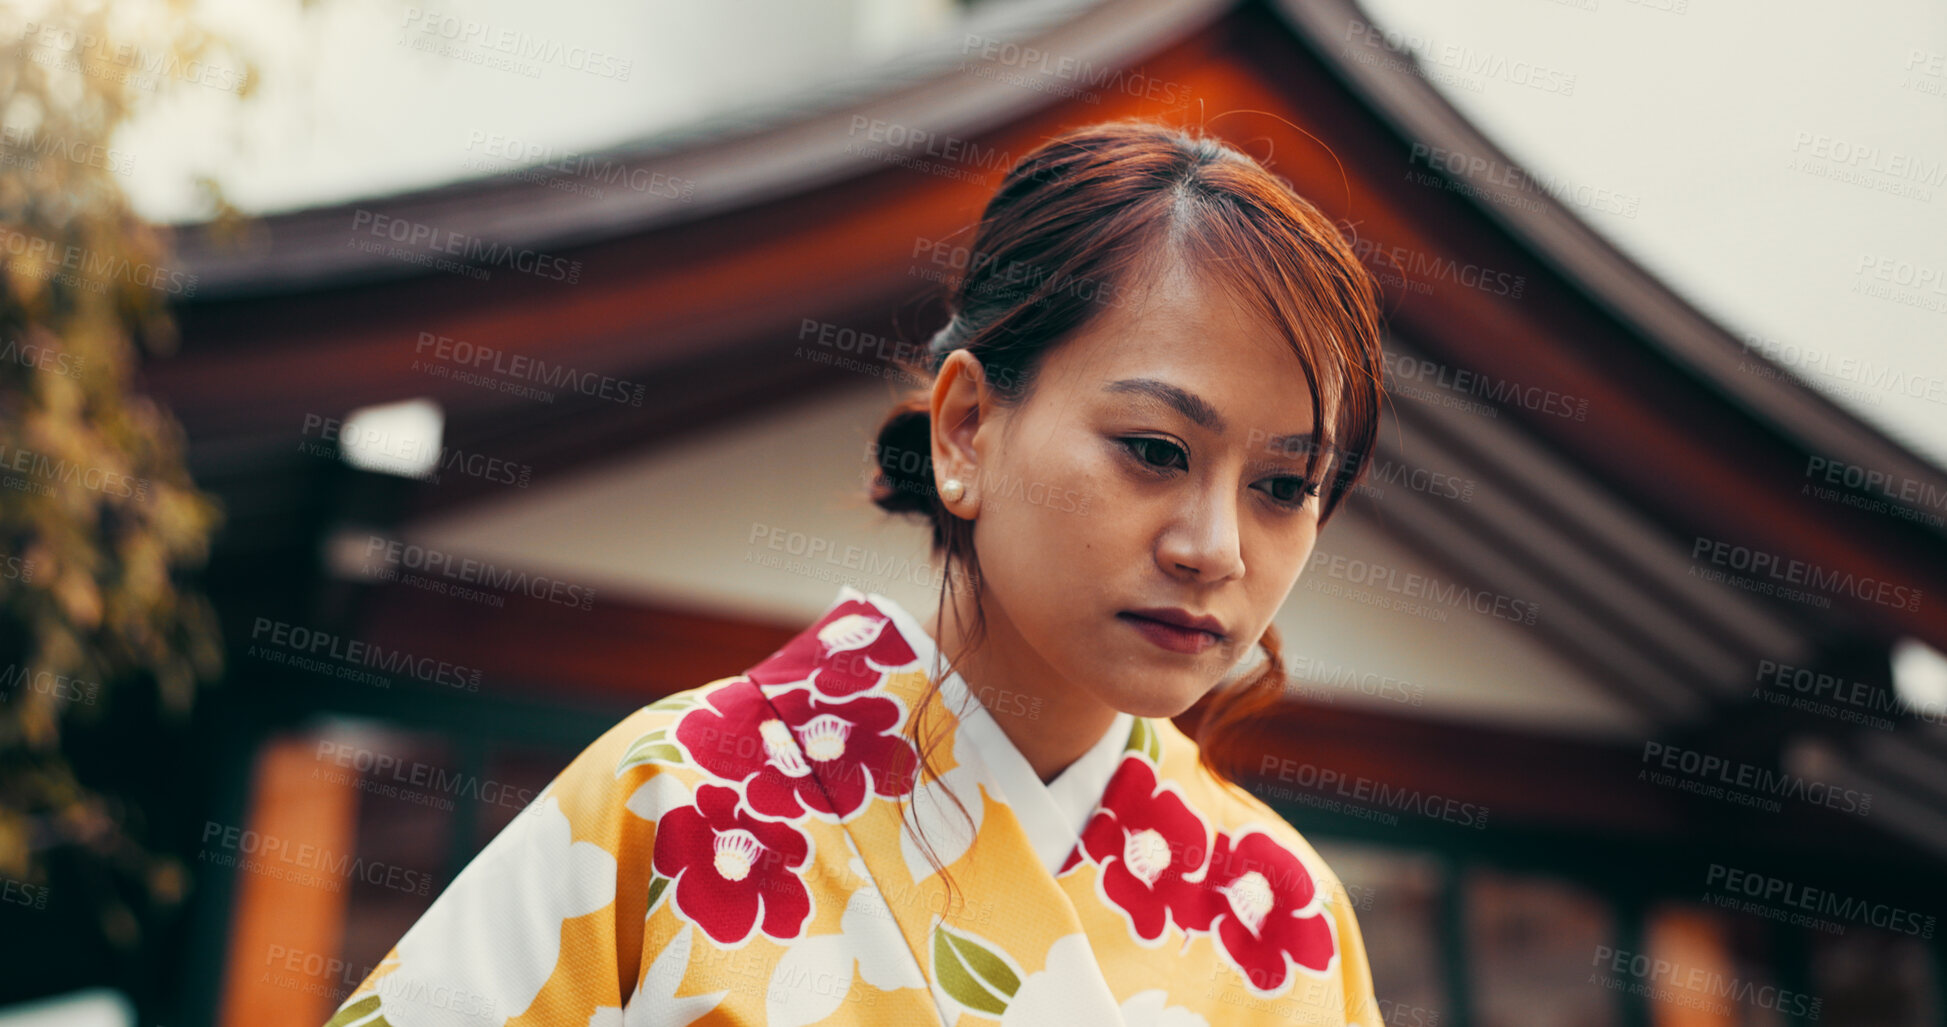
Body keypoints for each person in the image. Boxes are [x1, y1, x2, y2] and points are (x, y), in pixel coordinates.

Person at [323, 117, 1388, 1027]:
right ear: (966, 428)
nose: (1215, 547)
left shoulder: (1287, 922)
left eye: (1287, 486)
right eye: (1156, 450)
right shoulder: (675, 799)